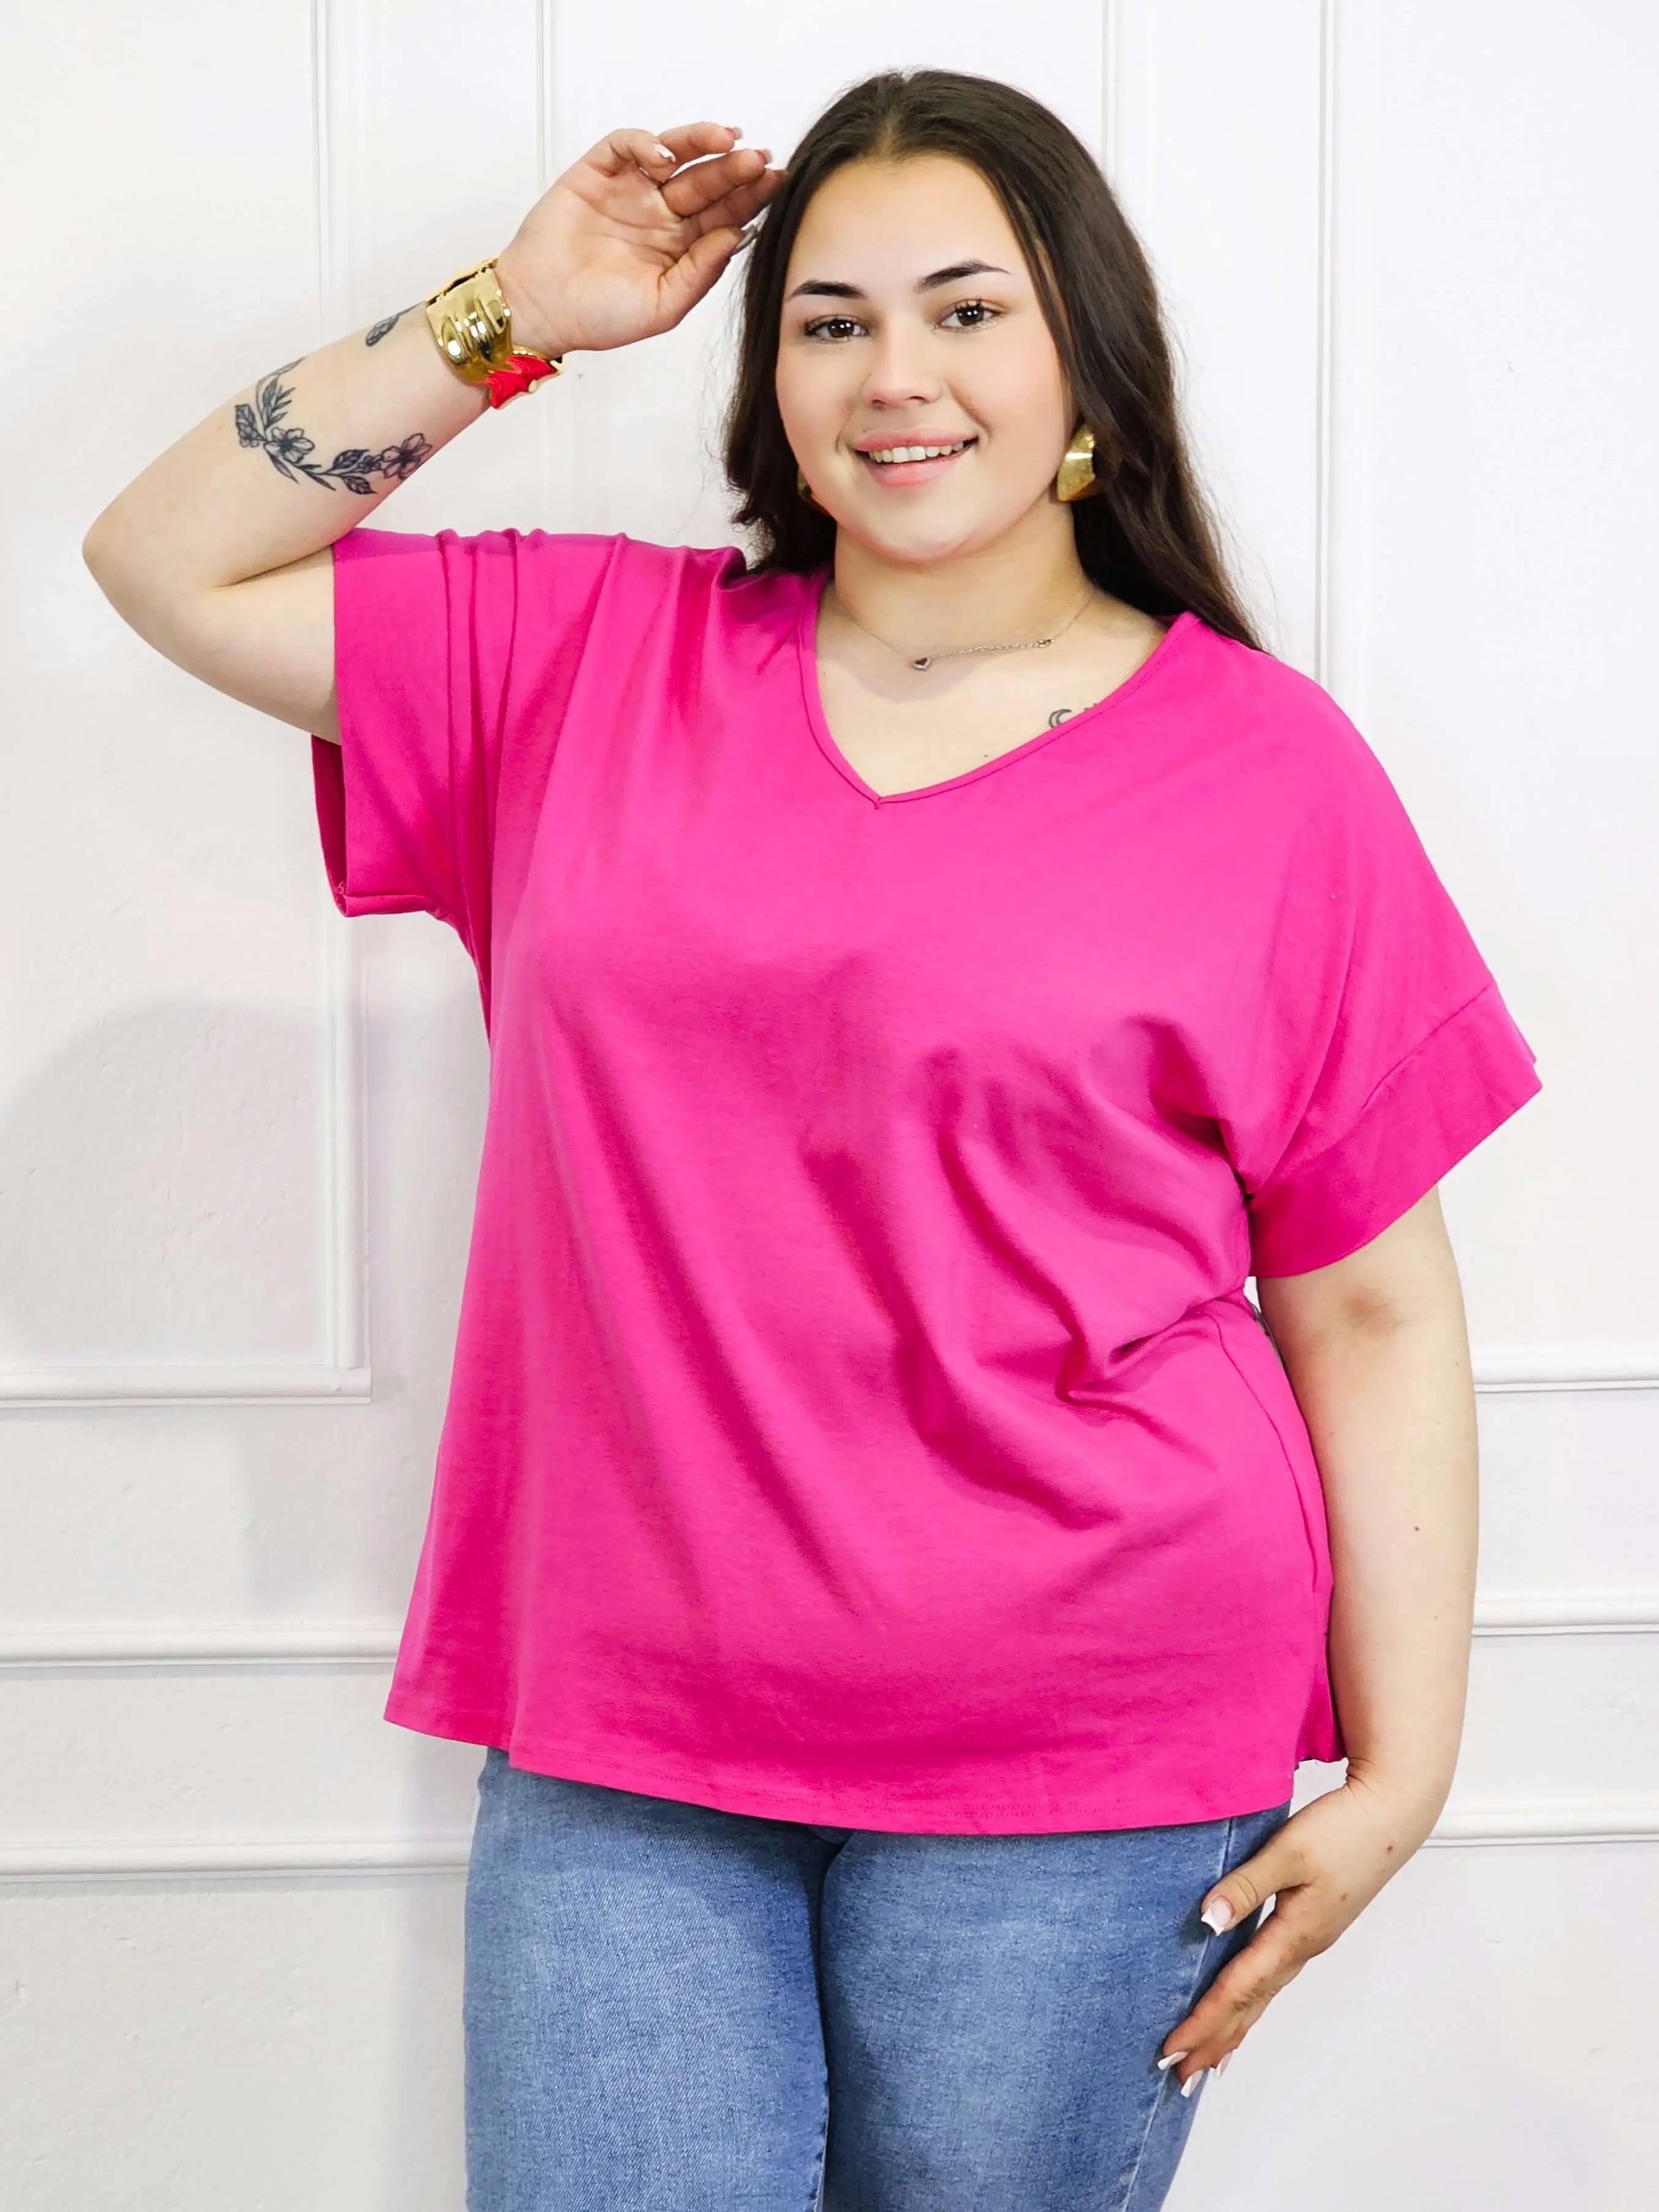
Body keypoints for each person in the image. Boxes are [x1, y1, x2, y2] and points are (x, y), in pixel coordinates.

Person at [83, 66, 1542, 2212]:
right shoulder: (582, 661)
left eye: (966, 310)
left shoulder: (1268, 770)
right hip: (624, 1733)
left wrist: (1405, 1769)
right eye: (830, 321)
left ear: (1084, 360)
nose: (894, 376)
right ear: (769, 379)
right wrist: (521, 308)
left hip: (1088, 1735)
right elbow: (168, 555)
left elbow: (1370, 1302)